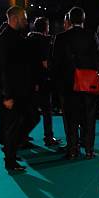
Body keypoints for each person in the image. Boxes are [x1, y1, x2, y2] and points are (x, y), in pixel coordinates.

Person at [51, 6, 99, 159]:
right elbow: (98, 59)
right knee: (89, 118)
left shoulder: (61, 38)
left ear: (68, 20)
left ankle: (73, 149)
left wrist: (57, 85)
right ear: (83, 20)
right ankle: (89, 150)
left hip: (69, 85)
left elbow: (56, 64)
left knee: (70, 118)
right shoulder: (91, 35)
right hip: (89, 84)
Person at [0, 6, 32, 172]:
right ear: (15, 19)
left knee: (25, 120)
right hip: (11, 92)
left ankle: (11, 151)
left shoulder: (15, 37)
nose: (26, 21)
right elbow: (2, 68)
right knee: (14, 126)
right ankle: (10, 159)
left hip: (19, 90)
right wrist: (7, 95)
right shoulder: (5, 40)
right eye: (24, 18)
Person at [27, 17, 62, 147]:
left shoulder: (28, 39)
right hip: (42, 80)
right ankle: (48, 137)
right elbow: (45, 63)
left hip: (29, 80)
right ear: (45, 27)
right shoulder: (44, 41)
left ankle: (23, 136)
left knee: (30, 110)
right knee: (47, 110)